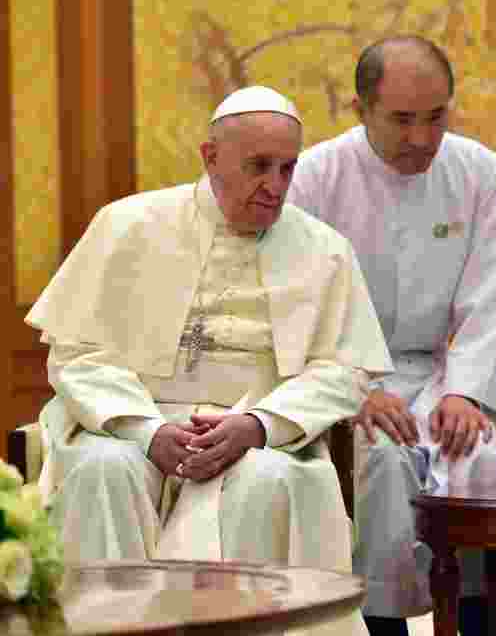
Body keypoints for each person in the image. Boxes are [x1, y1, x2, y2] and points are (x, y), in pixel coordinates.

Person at [26, 86, 393, 636]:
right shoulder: (126, 225)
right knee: (102, 470)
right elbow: (76, 352)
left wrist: (257, 425)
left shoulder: (325, 249)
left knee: (266, 481)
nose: (276, 187)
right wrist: (146, 429)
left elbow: (343, 370)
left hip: (260, 427)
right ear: (210, 156)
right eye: (259, 167)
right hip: (128, 422)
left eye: (288, 169)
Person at [287, 35, 496, 636]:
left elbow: (487, 293)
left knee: (478, 463)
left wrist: (465, 394)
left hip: (438, 375)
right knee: (387, 468)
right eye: (401, 120)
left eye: (436, 116)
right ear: (360, 109)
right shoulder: (317, 176)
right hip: (348, 379)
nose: (422, 138)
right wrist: (351, 391)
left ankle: (485, 624)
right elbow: (298, 306)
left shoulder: (477, 172)